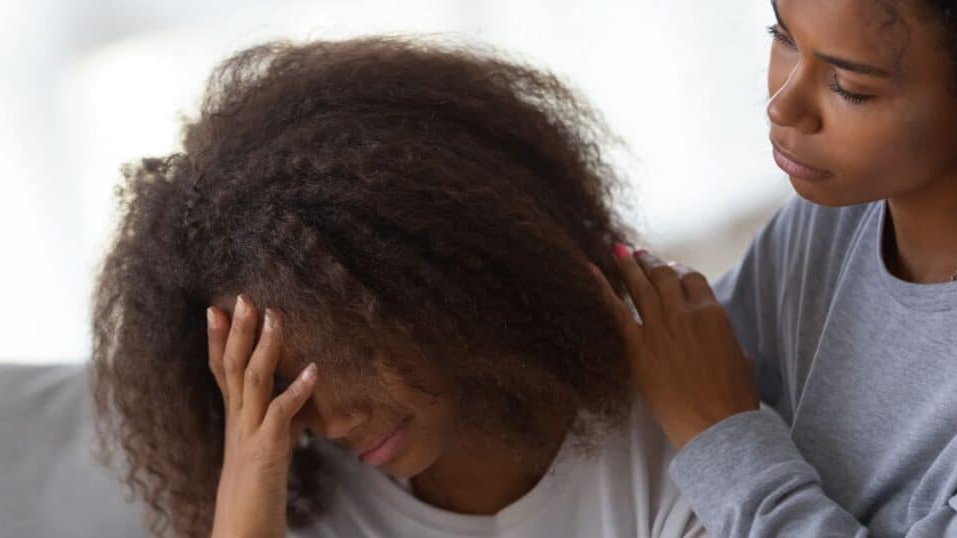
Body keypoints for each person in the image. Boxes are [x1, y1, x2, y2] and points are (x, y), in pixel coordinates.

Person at [90, 37, 704, 538]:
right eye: (282, 384)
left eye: (340, 356)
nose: (330, 421)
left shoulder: (669, 434)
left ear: (431, 283)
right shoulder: (300, 508)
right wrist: (244, 503)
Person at [591, 0, 957, 535]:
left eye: (849, 85)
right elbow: (694, 369)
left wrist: (719, 436)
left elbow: (706, 410)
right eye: (783, 36)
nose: (782, 107)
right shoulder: (835, 216)